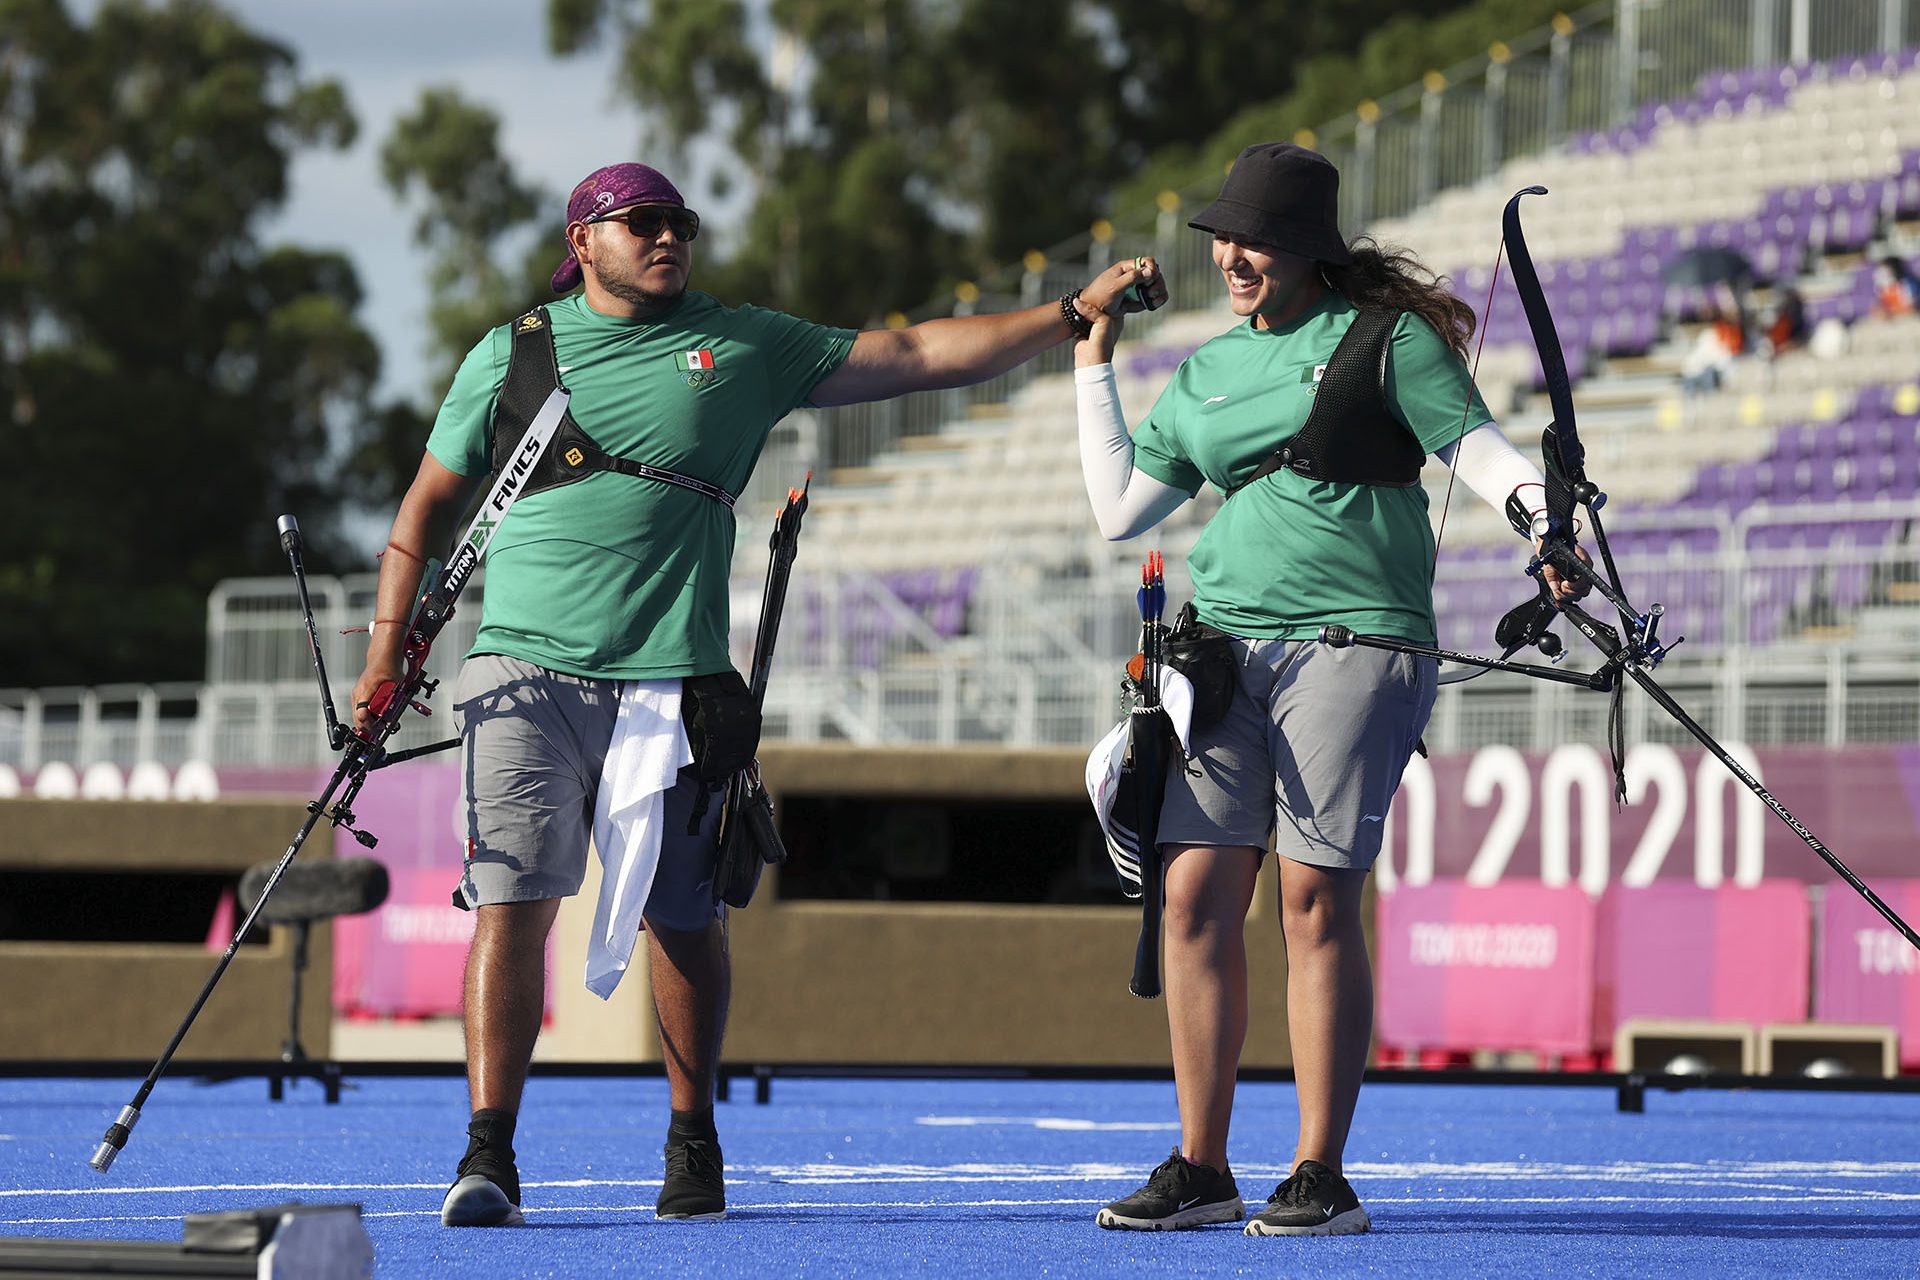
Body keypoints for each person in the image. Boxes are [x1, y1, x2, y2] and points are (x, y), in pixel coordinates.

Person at [351, 161, 1158, 1228]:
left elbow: (914, 354)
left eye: (681, 222)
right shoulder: (512, 352)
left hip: (675, 674)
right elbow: (423, 508)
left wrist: (1068, 314)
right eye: (641, 222)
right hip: (521, 669)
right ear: (582, 241)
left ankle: (693, 1140)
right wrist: (382, 654)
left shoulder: (742, 342)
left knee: (687, 915)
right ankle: (488, 1151)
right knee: (512, 900)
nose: (669, 237)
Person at [1072, 142, 1585, 1238]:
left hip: (1355, 646)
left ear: (1310, 248)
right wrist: (1092, 361)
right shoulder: (1205, 369)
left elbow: (1481, 452)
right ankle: (1201, 1164)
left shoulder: (1387, 340)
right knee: (1193, 896)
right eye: (1226, 238)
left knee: (1313, 899)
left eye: (1258, 239)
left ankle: (1319, 1169)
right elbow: (1121, 509)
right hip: (1218, 655)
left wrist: (1544, 521)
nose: (1236, 256)